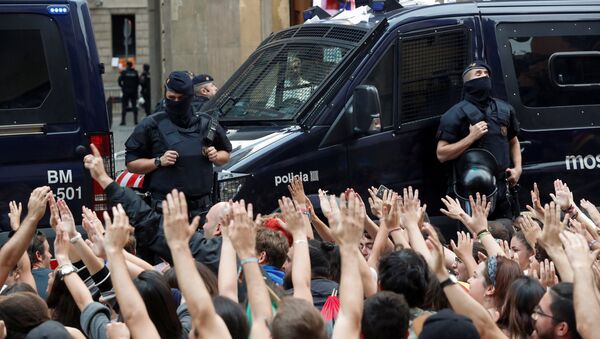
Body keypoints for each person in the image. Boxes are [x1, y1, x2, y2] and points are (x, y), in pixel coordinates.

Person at [124, 71, 232, 218]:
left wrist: (216, 156)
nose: (175, 102)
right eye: (171, 97)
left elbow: (225, 154)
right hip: (166, 211)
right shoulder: (151, 124)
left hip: (201, 210)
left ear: (190, 97)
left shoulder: (206, 123)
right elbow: (131, 163)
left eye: (180, 98)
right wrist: (158, 161)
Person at [436, 60, 521, 219]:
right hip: (470, 190)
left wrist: (518, 168)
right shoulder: (454, 115)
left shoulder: (504, 109)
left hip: (503, 187)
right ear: (468, 82)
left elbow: (513, 141)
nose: (484, 77)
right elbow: (441, 154)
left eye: (486, 74)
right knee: (477, 239)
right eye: (478, 74)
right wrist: (471, 137)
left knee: (507, 233)